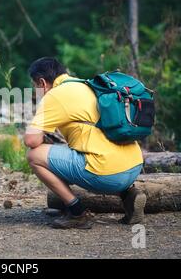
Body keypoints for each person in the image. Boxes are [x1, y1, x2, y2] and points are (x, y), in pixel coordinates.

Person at [24, 57, 146, 229]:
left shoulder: (54, 96)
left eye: (35, 86)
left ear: (42, 82)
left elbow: (31, 140)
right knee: (78, 150)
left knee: (34, 155)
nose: (36, 90)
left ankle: (77, 212)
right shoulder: (86, 85)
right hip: (134, 166)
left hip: (107, 174)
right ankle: (128, 195)